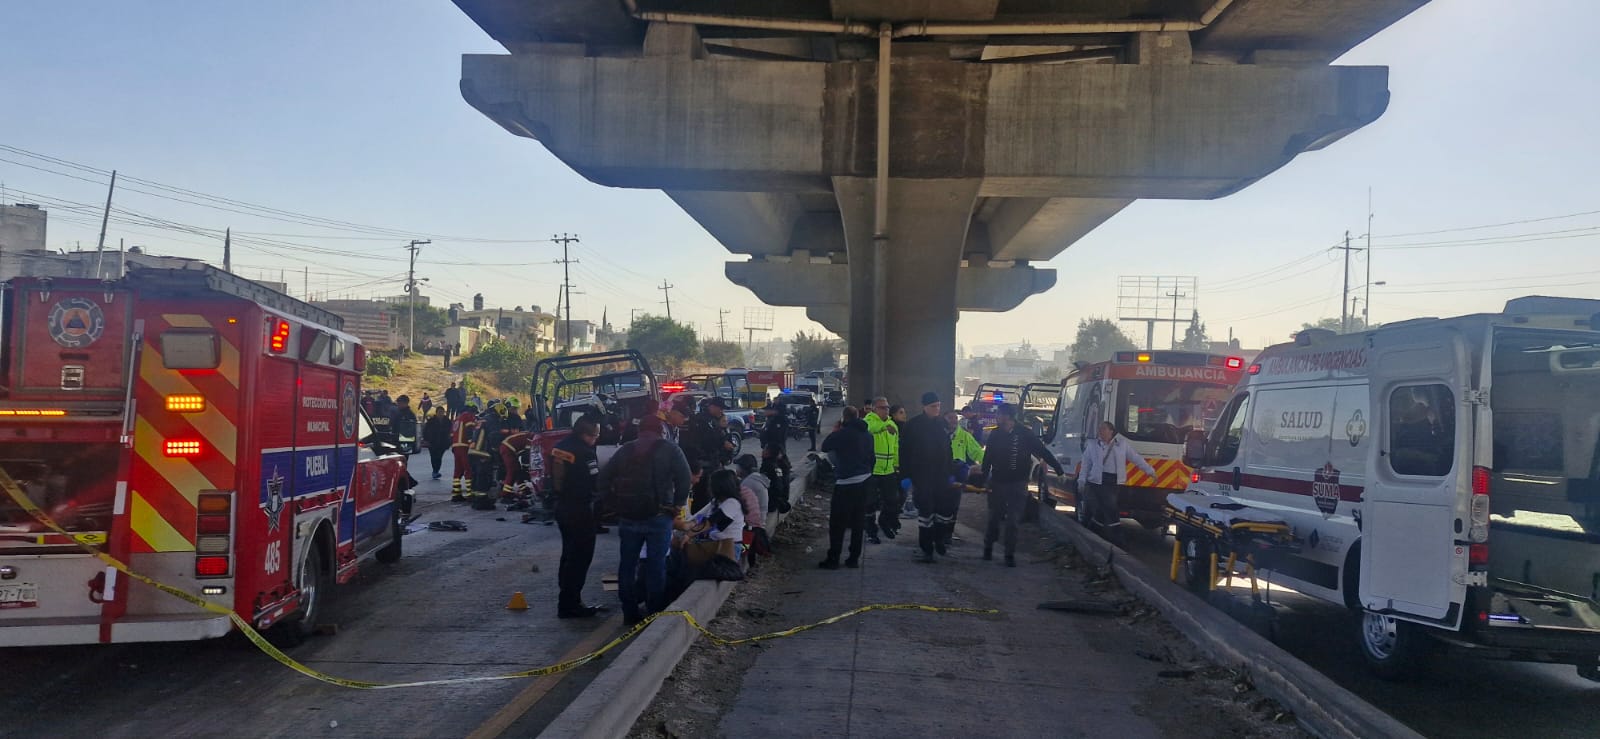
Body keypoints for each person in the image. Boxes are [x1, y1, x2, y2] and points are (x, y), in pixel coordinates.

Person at [599, 414, 693, 626]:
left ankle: (629, 612)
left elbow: (603, 479)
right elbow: (685, 478)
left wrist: (614, 505)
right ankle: (655, 611)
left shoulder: (625, 450)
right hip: (659, 517)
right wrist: (677, 505)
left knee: (627, 566)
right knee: (656, 565)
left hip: (628, 518)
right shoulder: (670, 449)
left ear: (639, 430)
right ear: (661, 431)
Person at [981, 405, 1065, 566]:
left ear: (1008, 417)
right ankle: (988, 547)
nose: (997, 417)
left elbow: (1042, 451)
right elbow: (988, 458)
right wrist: (984, 479)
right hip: (998, 482)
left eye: (999, 414)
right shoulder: (995, 434)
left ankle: (1009, 554)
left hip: (1018, 483)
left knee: (1013, 520)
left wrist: (1059, 469)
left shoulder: (1025, 434)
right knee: (994, 518)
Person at [551, 418, 608, 618]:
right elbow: (595, 482)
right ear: (587, 434)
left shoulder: (560, 447)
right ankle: (570, 603)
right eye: (595, 436)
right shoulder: (585, 452)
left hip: (561, 506)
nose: (596, 439)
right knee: (581, 556)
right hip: (580, 509)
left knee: (568, 553)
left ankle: (566, 595)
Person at [1080, 421, 1156, 543]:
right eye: (1100, 429)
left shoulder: (1121, 445)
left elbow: (1136, 458)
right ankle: (1112, 536)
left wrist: (1150, 471)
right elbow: (1086, 463)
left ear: (1111, 431)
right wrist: (1082, 480)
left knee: (1107, 507)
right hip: (1096, 481)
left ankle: (1101, 532)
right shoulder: (1093, 445)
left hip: (1112, 481)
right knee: (1105, 507)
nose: (1101, 431)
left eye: (1104, 429)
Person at [818, 406, 874, 570]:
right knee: (858, 521)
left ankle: (834, 558)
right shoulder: (867, 434)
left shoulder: (843, 434)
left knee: (838, 523)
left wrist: (836, 430)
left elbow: (825, 447)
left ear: (844, 418)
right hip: (864, 481)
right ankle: (854, 558)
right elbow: (872, 457)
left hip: (846, 483)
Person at [902, 392, 953, 563]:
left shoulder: (942, 424)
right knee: (926, 514)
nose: (936, 409)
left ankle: (939, 540)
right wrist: (906, 475)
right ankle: (927, 549)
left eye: (938, 406)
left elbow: (948, 450)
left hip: (941, 476)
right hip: (922, 476)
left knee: (943, 513)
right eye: (933, 406)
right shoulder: (913, 426)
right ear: (924, 407)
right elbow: (904, 452)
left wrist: (951, 472)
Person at [944, 409, 986, 548]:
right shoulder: (937, 434)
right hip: (941, 474)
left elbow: (977, 452)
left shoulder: (964, 435)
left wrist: (987, 465)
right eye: (950, 418)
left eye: (955, 418)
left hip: (957, 475)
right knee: (939, 505)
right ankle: (938, 532)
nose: (953, 420)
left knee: (954, 505)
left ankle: (948, 534)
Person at [682, 398, 732, 511]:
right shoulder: (702, 420)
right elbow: (706, 441)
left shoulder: (713, 420)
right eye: (720, 408)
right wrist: (722, 442)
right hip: (704, 463)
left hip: (712, 462)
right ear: (713, 407)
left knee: (710, 495)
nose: (722, 411)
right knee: (703, 495)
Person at [863, 397, 900, 545]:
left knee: (892, 500)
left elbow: (896, 446)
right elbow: (870, 429)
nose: (886, 410)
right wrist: (883, 428)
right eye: (883, 407)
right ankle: (871, 532)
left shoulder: (892, 424)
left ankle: (884, 522)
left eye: (887, 407)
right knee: (870, 503)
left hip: (889, 470)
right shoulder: (869, 420)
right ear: (875, 409)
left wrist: (896, 464)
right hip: (873, 470)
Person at [758, 404, 792, 514]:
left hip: (776, 452)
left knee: (779, 474)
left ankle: (780, 500)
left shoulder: (780, 420)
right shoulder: (769, 420)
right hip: (769, 451)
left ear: (773, 410)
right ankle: (772, 501)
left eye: (766, 410)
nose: (764, 412)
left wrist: (779, 452)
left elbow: (780, 438)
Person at [450, 404, 478, 502]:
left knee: (458, 470)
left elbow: (452, 434)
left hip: (456, 446)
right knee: (468, 469)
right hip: (464, 446)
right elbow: (470, 430)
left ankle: (456, 494)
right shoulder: (468, 416)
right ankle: (470, 494)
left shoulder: (457, 419)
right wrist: (472, 442)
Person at [422, 406, 451, 480]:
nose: (440, 414)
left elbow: (450, 431)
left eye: (442, 412)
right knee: (433, 457)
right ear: (436, 412)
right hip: (432, 442)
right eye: (439, 412)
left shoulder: (447, 421)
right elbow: (425, 431)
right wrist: (426, 440)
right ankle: (435, 471)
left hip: (443, 443)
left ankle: (436, 470)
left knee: (439, 457)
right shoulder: (431, 421)